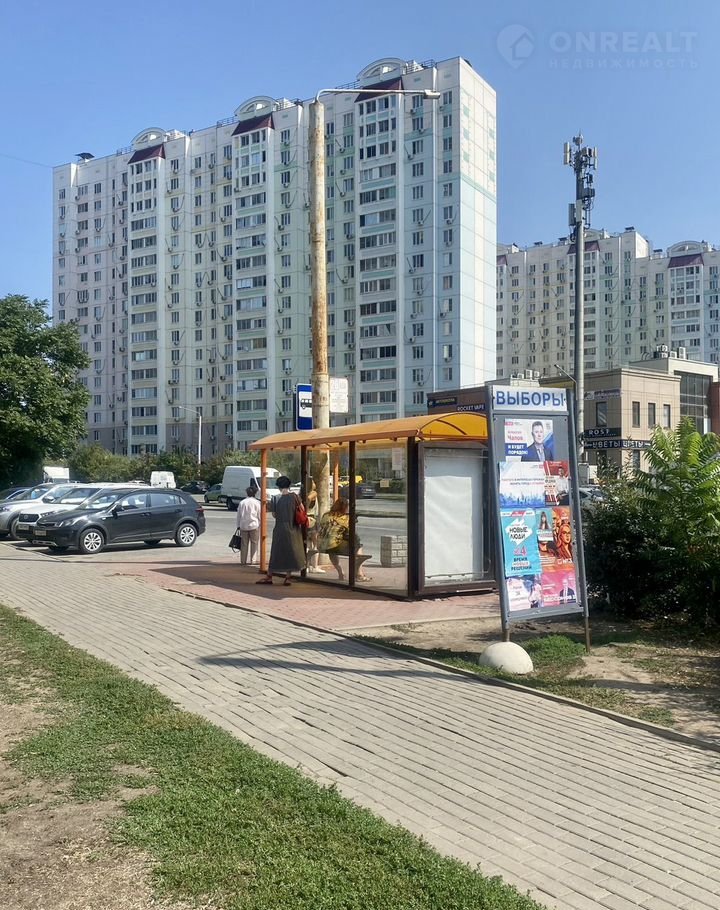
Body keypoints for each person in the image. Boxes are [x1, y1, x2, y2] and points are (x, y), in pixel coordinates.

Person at [256, 476, 306, 586]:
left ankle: (269, 575)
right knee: (291, 552)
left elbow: (274, 515)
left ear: (278, 486)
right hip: (293, 528)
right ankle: (288, 577)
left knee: (276, 552)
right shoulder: (295, 497)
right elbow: (302, 509)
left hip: (279, 528)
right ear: (289, 485)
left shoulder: (275, 498)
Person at [316, 497, 371, 582]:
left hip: (322, 545)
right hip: (335, 546)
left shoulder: (326, 515)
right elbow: (351, 534)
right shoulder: (345, 517)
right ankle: (359, 574)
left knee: (331, 547)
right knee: (358, 545)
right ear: (345, 507)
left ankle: (341, 572)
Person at [303, 476, 325, 575]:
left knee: (307, 543)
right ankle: (314, 566)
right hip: (311, 519)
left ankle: (307, 565)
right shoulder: (313, 493)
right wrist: (307, 508)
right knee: (315, 544)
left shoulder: (301, 493)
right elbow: (309, 498)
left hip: (304, 519)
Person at [235, 486, 261, 565]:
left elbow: (239, 515)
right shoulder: (257, 502)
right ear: (255, 493)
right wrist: (260, 523)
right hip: (254, 525)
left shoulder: (242, 502)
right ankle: (253, 560)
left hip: (243, 525)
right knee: (254, 543)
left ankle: (243, 561)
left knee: (244, 544)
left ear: (247, 493)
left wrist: (238, 525)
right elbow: (259, 515)